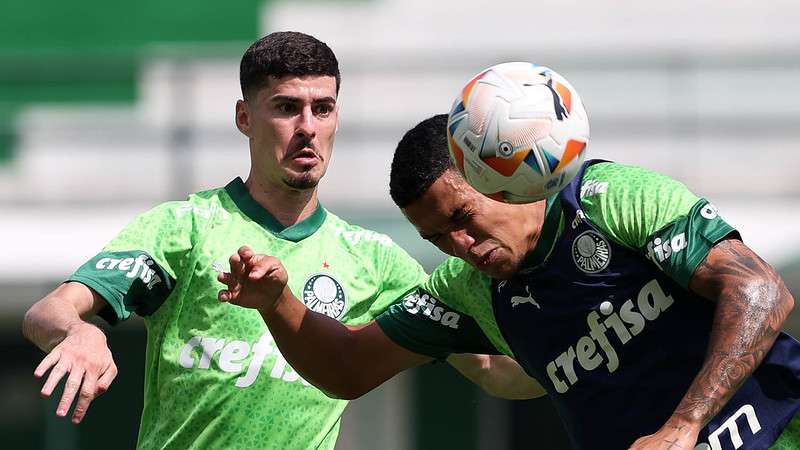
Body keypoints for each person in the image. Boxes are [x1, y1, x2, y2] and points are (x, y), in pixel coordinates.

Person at [22, 35, 538, 450]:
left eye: (323, 108)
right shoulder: (188, 227)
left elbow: (493, 370)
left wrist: (579, 351)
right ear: (245, 118)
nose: (307, 128)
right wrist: (76, 332)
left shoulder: (377, 262)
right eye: (287, 107)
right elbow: (48, 310)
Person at [218, 114, 800, 450]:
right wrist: (277, 304)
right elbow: (346, 366)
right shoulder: (467, 291)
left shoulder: (607, 198)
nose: (461, 248)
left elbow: (760, 292)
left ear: (499, 179)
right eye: (439, 240)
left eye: (462, 220)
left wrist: (683, 428)